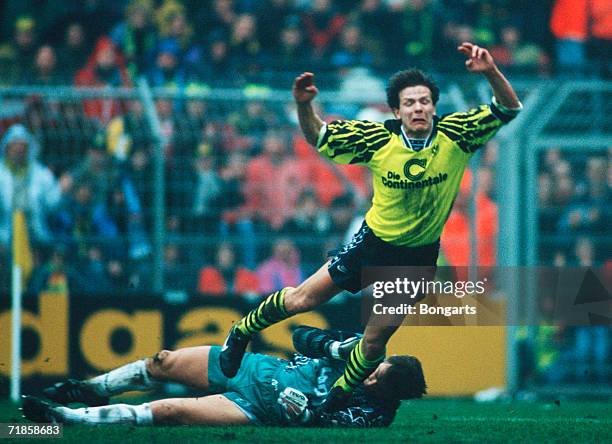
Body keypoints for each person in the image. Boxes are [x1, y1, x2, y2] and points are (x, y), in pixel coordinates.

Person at [220, 42, 522, 412]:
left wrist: (491, 71)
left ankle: (337, 398)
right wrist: (303, 105)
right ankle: (241, 332)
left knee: (376, 340)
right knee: (303, 299)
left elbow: (509, 108)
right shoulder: (378, 139)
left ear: (434, 107)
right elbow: (320, 137)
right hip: (372, 243)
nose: (418, 108)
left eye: (424, 101)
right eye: (410, 102)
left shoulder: (457, 134)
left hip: (418, 256)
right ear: (396, 110)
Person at [22, 326, 426, 427]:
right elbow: (301, 335)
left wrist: (306, 410)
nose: (371, 379)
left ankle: (64, 420)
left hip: (254, 407)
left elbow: (326, 422)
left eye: (380, 384)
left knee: (168, 409)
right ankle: (93, 389)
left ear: (395, 396)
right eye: (378, 373)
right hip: (252, 367)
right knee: (162, 361)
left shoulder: (376, 415)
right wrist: (335, 349)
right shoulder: (369, 351)